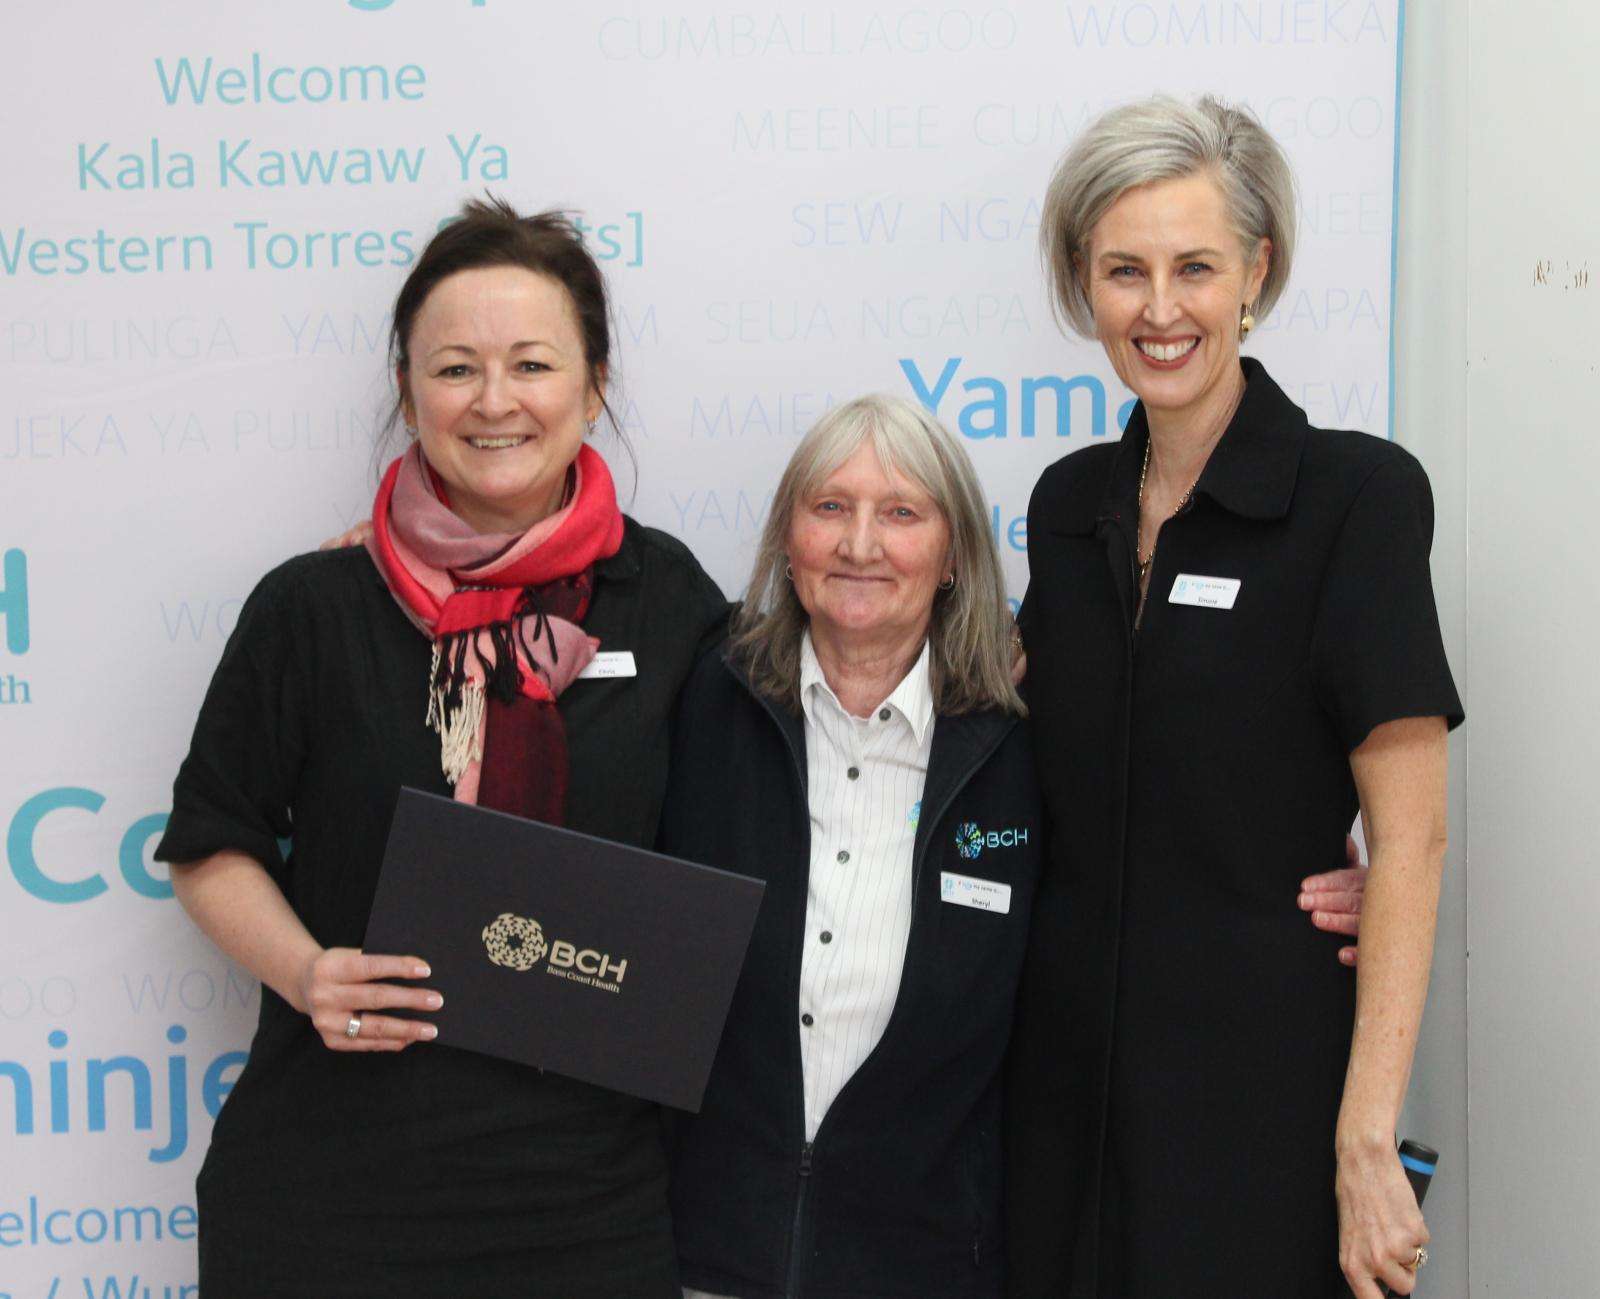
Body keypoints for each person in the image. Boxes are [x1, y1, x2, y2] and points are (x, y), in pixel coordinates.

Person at [657, 395, 1367, 1299]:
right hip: (707, 1255)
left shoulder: (1027, 737)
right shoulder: (699, 697)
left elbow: (1167, 850)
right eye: (829, 507)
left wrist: (1336, 879)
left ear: (954, 555)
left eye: (902, 512)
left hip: (932, 1262)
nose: (861, 543)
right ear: (787, 539)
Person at [155, 199, 727, 1297]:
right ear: (408, 389)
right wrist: (306, 973)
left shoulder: (669, 601)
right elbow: (210, 842)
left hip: (586, 1206)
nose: (496, 400)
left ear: (593, 384)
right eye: (456, 368)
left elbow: (779, 761)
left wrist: (986, 657)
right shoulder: (315, 607)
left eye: (533, 364)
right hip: (329, 1193)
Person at [1004, 97, 1463, 1299]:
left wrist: (1368, 1143)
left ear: (1255, 272)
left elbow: (1410, 831)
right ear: (1082, 286)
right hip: (1059, 1102)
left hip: (1261, 1100)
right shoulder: (1063, 506)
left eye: (1194, 267)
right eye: (1123, 271)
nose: (1160, 311)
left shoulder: (1355, 499)